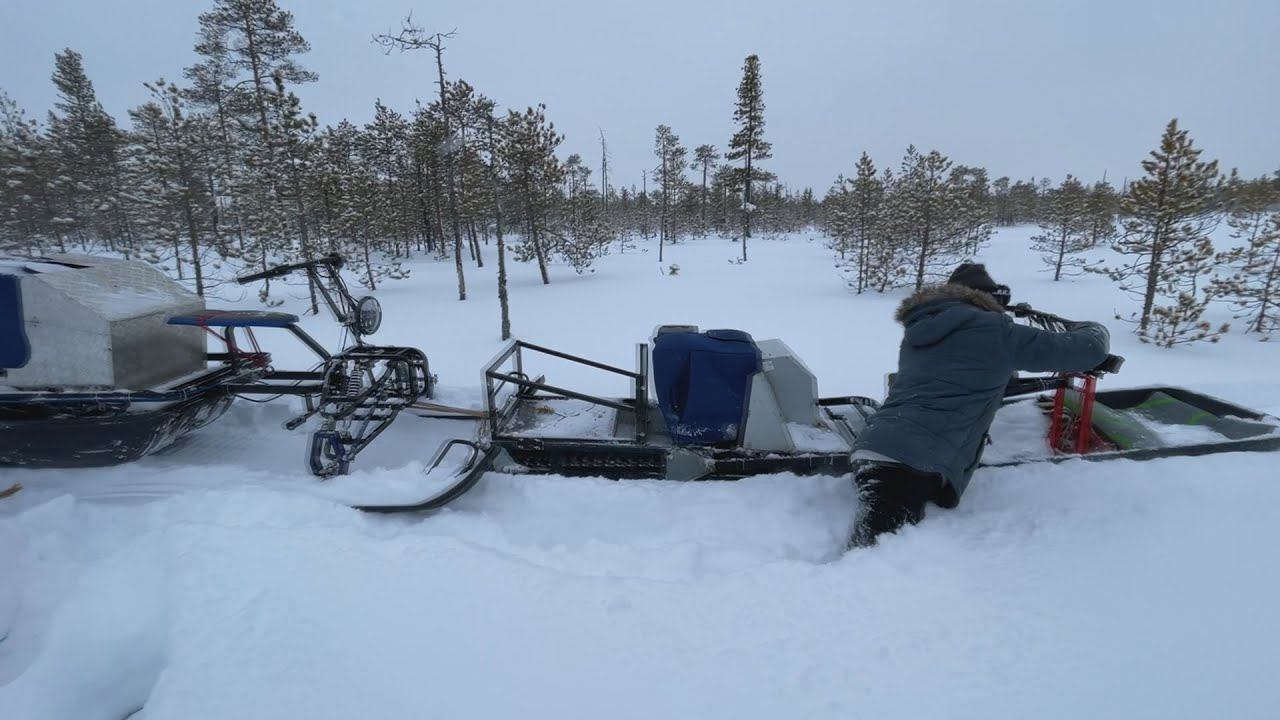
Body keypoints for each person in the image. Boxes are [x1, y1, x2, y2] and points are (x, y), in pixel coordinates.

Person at [848, 262, 1111, 548]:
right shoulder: (996, 332)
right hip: (913, 460)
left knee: (873, 544)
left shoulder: (919, 331)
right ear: (987, 301)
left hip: (875, 445)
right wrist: (1093, 328)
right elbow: (1085, 351)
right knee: (874, 554)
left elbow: (962, 377)